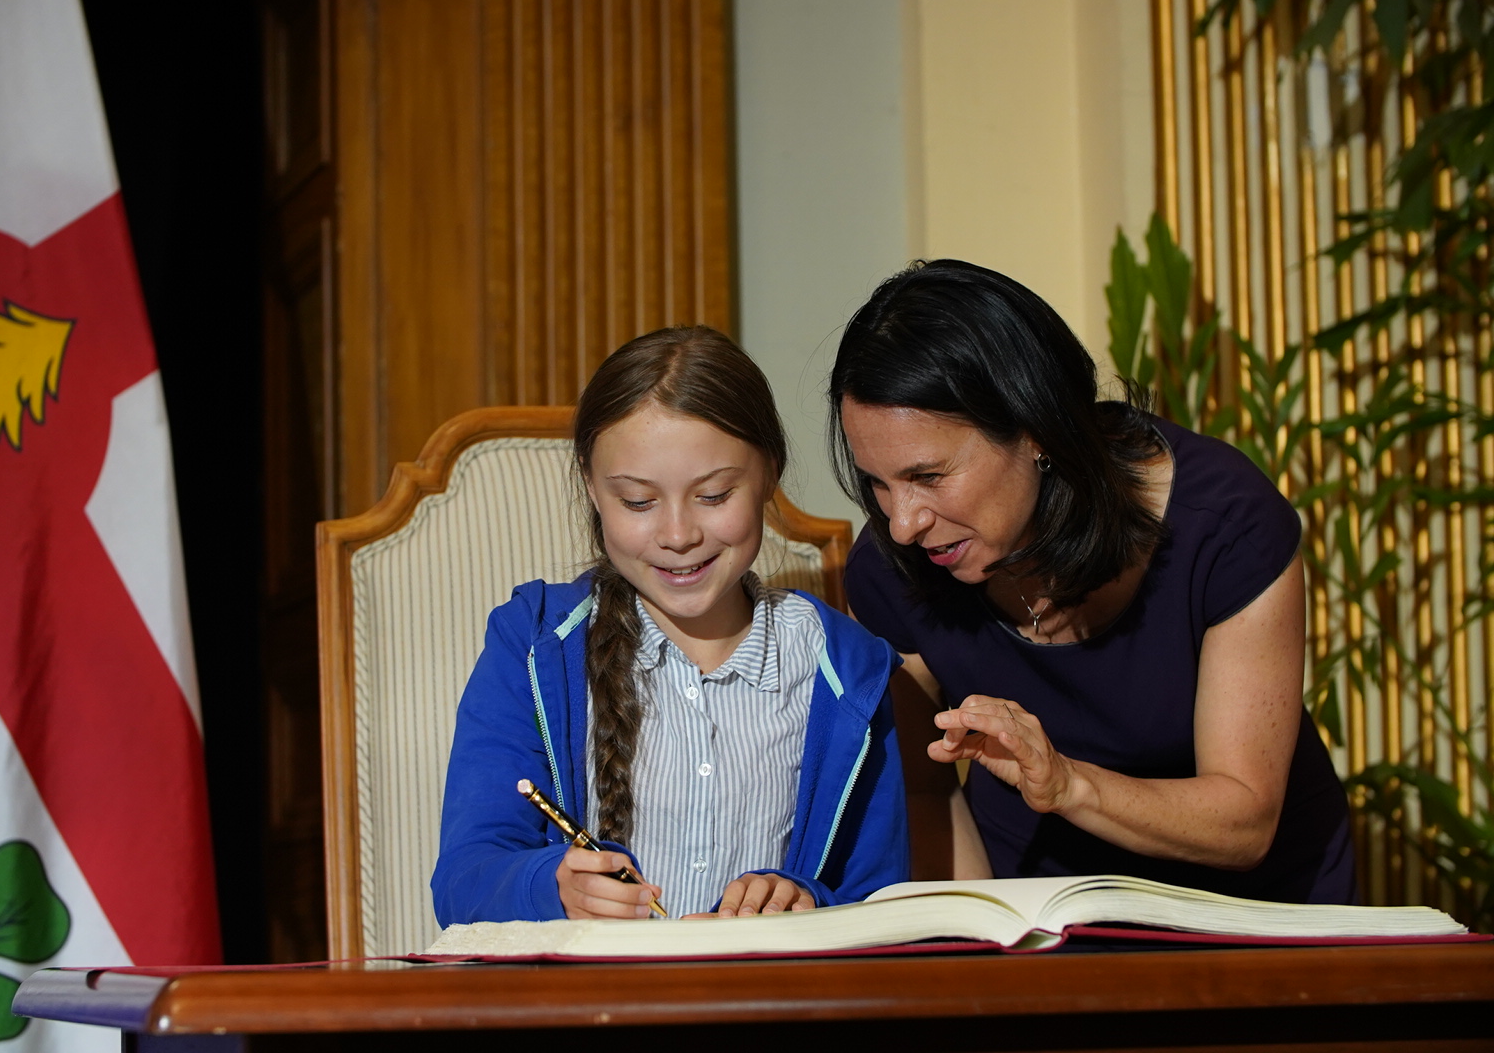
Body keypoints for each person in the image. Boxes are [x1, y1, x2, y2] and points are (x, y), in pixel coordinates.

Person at [828, 260, 1357, 904]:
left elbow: (1244, 820)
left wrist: (1067, 784)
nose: (903, 522)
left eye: (929, 476)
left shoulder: (1222, 525)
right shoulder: (892, 565)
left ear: (1036, 433)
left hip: (1254, 910)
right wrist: (976, 940)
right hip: (1042, 904)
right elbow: (922, 786)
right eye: (878, 483)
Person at [432, 326, 909, 925]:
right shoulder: (530, 647)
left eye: (713, 495)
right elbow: (461, 884)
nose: (679, 535)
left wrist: (808, 903)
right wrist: (552, 887)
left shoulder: (847, 670)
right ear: (590, 485)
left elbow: (882, 902)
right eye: (638, 502)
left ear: (769, 473)